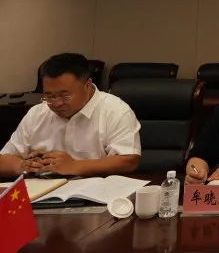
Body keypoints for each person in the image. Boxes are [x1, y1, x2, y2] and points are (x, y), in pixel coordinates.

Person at [0, 53, 141, 178]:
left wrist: (74, 166)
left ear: (88, 85)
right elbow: (4, 159)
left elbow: (128, 160)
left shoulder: (115, 110)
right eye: (49, 96)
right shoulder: (37, 113)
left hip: (94, 192)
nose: (56, 103)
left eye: (65, 96)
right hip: (43, 191)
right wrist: (22, 166)